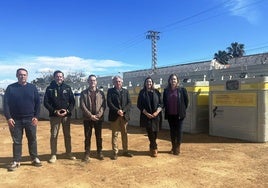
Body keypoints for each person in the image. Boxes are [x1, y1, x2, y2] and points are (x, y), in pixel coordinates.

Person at [3, 68, 42, 171]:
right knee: (17, 141)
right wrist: (9, 118)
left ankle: (34, 158)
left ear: (27, 76)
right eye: (20, 75)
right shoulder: (11, 88)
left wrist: (36, 116)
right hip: (15, 120)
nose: (22, 76)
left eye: (24, 75)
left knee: (32, 140)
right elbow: (5, 104)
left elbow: (38, 103)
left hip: (30, 119)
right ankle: (16, 160)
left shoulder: (32, 88)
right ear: (17, 75)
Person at [44, 70, 76, 163]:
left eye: (61, 76)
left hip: (66, 116)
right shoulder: (49, 88)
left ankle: (69, 153)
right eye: (57, 76)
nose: (59, 78)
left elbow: (72, 101)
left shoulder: (68, 88)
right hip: (54, 116)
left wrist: (68, 110)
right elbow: (46, 102)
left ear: (63, 77)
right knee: (54, 135)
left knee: (67, 135)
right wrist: (54, 111)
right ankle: (53, 154)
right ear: (54, 77)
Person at [80, 74, 106, 162]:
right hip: (87, 119)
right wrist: (90, 116)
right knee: (87, 136)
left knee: (99, 136)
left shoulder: (101, 93)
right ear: (88, 82)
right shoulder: (84, 93)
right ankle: (87, 153)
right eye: (91, 80)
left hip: (98, 119)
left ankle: (100, 152)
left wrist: (98, 116)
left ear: (96, 82)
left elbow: (103, 106)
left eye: (94, 80)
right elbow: (82, 106)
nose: (92, 82)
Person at [107, 75, 133, 160]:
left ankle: (125, 151)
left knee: (124, 134)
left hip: (124, 116)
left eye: (119, 81)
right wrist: (117, 111)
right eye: (116, 81)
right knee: (115, 134)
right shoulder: (110, 91)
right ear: (113, 83)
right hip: (115, 115)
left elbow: (129, 103)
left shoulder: (126, 91)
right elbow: (109, 103)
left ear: (122, 82)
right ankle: (115, 152)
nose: (117, 83)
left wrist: (123, 111)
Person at [163, 74, 189, 155]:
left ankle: (177, 147)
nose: (173, 81)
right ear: (169, 81)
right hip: (170, 114)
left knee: (179, 131)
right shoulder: (166, 91)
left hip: (179, 115)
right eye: (171, 79)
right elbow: (164, 102)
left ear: (177, 80)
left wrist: (182, 110)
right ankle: (173, 147)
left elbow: (186, 101)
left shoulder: (182, 90)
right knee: (172, 131)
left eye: (174, 79)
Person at [137, 77, 162, 157]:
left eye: (150, 82)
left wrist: (156, 112)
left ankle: (151, 146)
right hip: (146, 116)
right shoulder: (142, 92)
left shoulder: (157, 92)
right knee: (150, 132)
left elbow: (161, 104)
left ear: (152, 83)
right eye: (147, 82)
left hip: (156, 116)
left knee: (155, 133)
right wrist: (146, 113)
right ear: (145, 83)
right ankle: (154, 148)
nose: (149, 83)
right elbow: (139, 105)